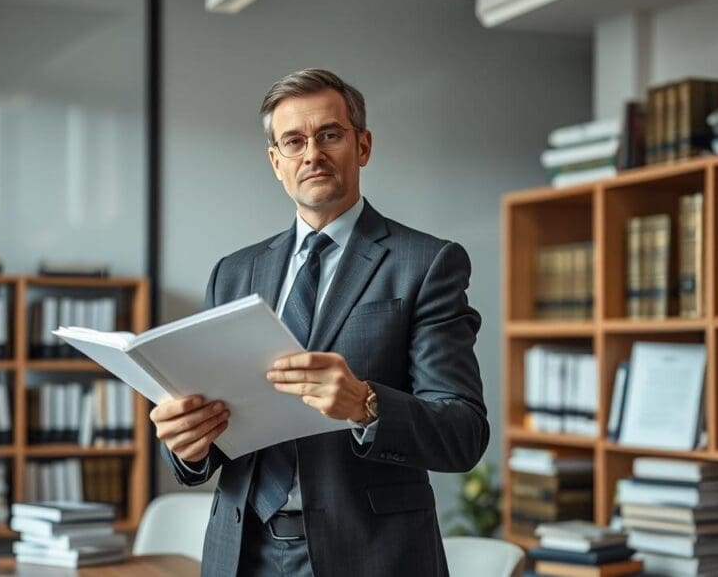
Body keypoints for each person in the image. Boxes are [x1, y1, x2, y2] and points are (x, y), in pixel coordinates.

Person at [150, 68, 489, 577]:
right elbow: (215, 435)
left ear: (363, 146)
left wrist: (367, 404)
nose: (312, 153)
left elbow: (463, 432)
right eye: (294, 141)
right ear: (276, 162)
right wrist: (187, 443)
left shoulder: (426, 264)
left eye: (329, 134)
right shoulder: (234, 273)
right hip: (242, 553)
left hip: (371, 555)